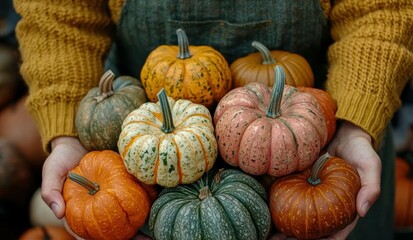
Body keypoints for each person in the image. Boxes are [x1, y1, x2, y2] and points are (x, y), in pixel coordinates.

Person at [12, 0, 413, 239]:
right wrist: (69, 135)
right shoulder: (143, 129)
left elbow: (380, 8)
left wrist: (355, 124)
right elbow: (59, 15)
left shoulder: (310, 130)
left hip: (325, 126)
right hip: (142, 116)